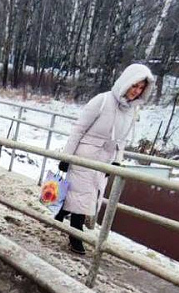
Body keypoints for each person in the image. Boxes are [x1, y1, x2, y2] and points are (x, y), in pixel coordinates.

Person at [56, 63, 155, 255]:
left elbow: (122, 139)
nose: (136, 91)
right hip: (85, 157)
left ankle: (61, 213)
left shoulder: (131, 111)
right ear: (126, 82)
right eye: (134, 85)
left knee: (87, 197)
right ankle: (75, 238)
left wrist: (117, 160)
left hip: (104, 161)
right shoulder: (101, 100)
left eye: (141, 88)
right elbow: (79, 129)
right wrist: (66, 156)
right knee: (82, 198)